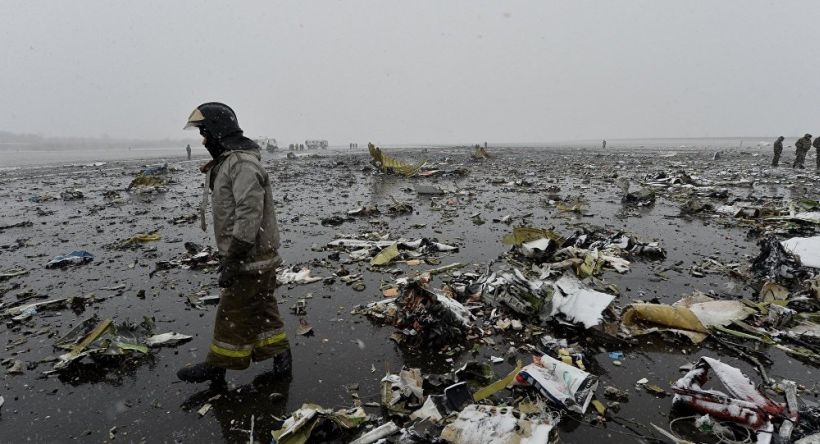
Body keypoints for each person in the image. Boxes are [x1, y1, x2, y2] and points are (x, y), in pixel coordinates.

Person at [178, 102, 291, 383]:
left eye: (205, 132)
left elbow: (249, 214)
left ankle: (217, 366)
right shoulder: (231, 163)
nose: (203, 140)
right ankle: (283, 362)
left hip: (250, 258)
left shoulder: (241, 165)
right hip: (255, 256)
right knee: (264, 311)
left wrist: (234, 257)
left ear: (219, 130)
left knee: (232, 312)